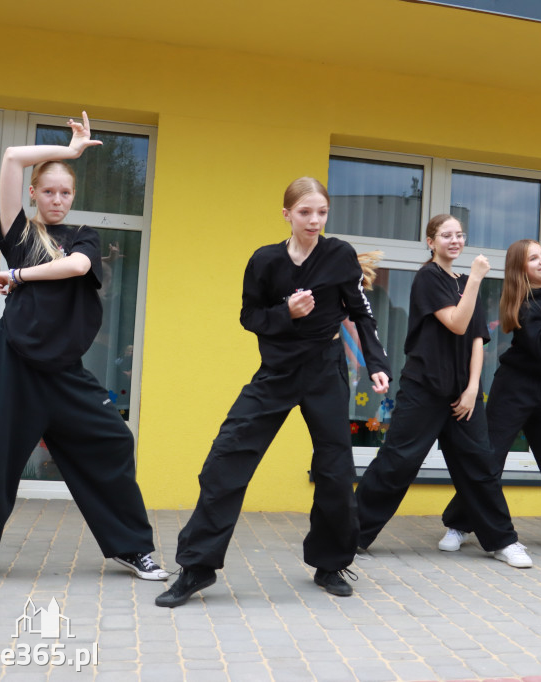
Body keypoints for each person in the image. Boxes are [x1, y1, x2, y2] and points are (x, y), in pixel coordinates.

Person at [0, 112, 166, 584]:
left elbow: (78, 267)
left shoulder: (82, 237)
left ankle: (134, 549)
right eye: (49, 191)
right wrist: (68, 152)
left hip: (63, 371)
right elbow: (10, 158)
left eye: (65, 192)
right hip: (11, 363)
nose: (58, 199)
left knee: (113, 440)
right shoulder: (19, 234)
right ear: (33, 195)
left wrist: (19, 275)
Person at [156, 177, 391, 608]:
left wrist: (377, 364)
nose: (315, 220)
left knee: (335, 471)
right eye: (305, 212)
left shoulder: (339, 256)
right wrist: (287, 312)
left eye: (321, 212)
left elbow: (361, 311)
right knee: (226, 458)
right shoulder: (264, 261)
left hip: (325, 371)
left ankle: (330, 563)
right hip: (277, 372)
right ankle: (196, 567)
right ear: (286, 214)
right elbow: (249, 316)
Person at [354, 215, 532, 569]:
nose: (455, 240)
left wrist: (471, 390)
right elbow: (457, 322)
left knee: (480, 465)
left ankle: (502, 541)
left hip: (462, 394)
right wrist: (479, 277)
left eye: (460, 235)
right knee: (397, 463)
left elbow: (477, 339)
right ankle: (348, 534)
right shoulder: (428, 278)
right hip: (424, 389)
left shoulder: (466, 282)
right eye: (446, 235)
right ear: (430, 242)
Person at [438, 239, 541, 555]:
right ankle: (458, 524)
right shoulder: (522, 305)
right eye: (533, 258)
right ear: (520, 269)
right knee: (489, 458)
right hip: (514, 388)